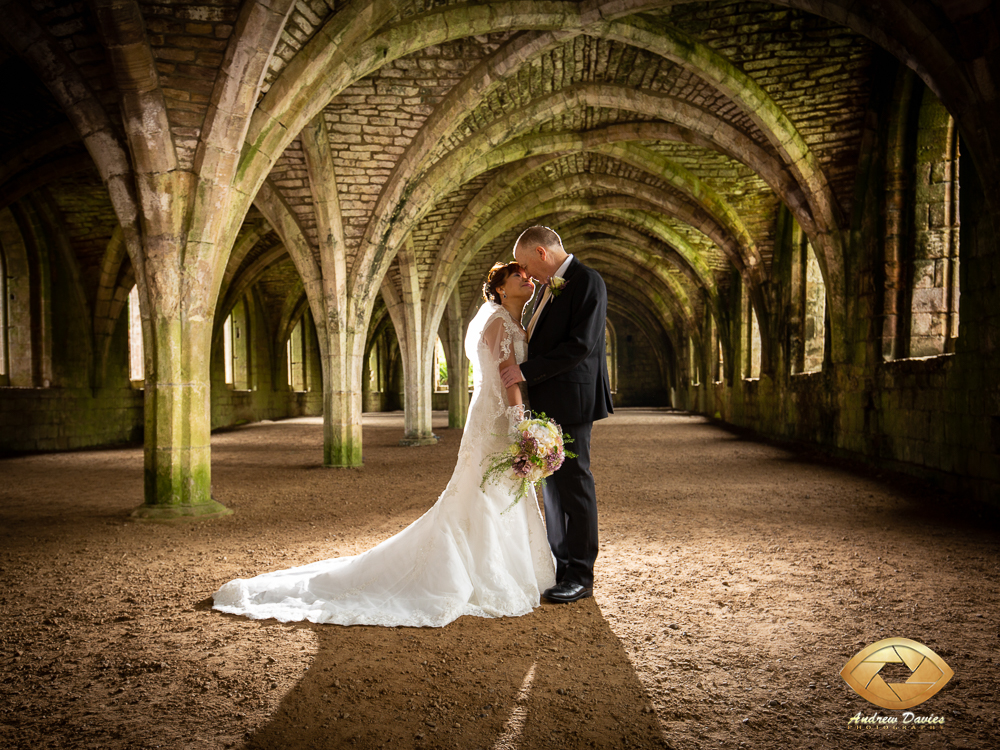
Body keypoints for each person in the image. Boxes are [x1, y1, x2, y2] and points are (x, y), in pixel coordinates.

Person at [212, 262, 555, 627]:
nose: (527, 279)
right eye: (518, 276)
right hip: (497, 416)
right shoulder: (498, 321)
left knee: (498, 487)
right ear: (500, 289)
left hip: (501, 412)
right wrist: (522, 426)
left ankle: (506, 566)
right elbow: (508, 376)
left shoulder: (517, 321)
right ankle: (486, 572)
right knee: (486, 487)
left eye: (528, 275)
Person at [502, 226, 613, 604]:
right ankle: (562, 565)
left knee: (575, 484)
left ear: (541, 252)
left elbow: (580, 345)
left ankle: (581, 574)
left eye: (526, 264)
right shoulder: (550, 287)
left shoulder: (586, 281)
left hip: (573, 401)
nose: (526, 273)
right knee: (551, 484)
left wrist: (525, 372)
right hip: (549, 401)